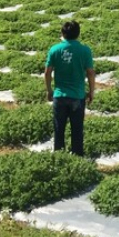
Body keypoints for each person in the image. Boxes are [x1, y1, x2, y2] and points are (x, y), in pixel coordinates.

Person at [44, 20, 95, 156]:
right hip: (77, 97)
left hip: (59, 96)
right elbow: (90, 72)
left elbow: (47, 72)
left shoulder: (55, 49)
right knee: (77, 130)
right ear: (78, 34)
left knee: (59, 130)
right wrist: (91, 92)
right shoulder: (85, 50)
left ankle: (59, 159)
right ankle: (77, 160)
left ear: (62, 33)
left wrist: (49, 90)